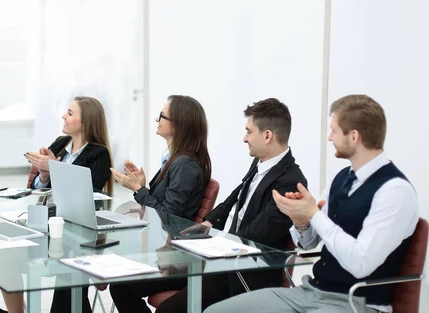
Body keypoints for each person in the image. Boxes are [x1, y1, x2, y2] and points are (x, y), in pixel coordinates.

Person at [205, 94, 419, 313]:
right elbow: (307, 244)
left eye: (334, 131)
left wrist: (314, 215)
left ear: (354, 136)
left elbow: (361, 263)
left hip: (355, 302)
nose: (329, 137)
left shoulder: (394, 192)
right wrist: (302, 222)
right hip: (311, 291)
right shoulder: (341, 179)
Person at [110, 98, 308, 313]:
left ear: (267, 135)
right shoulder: (260, 163)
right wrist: (209, 222)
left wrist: (216, 244)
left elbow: (257, 236)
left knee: (168, 310)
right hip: (221, 262)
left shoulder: (290, 181)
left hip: (242, 272)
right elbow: (234, 196)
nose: (244, 138)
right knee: (122, 286)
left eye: (249, 132)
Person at [0, 96, 114, 313]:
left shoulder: (99, 154)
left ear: (85, 122)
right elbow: (38, 187)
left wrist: (53, 167)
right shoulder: (61, 143)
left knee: (2, 250)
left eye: (70, 113)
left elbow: (87, 194)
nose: (63, 116)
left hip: (72, 235)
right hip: (44, 224)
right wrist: (45, 174)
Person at [111, 95, 212, 221]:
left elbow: (167, 215)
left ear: (178, 123)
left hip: (170, 237)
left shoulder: (185, 164)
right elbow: (161, 206)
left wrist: (137, 189)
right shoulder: (176, 159)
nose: (157, 119)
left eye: (162, 116)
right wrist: (141, 186)